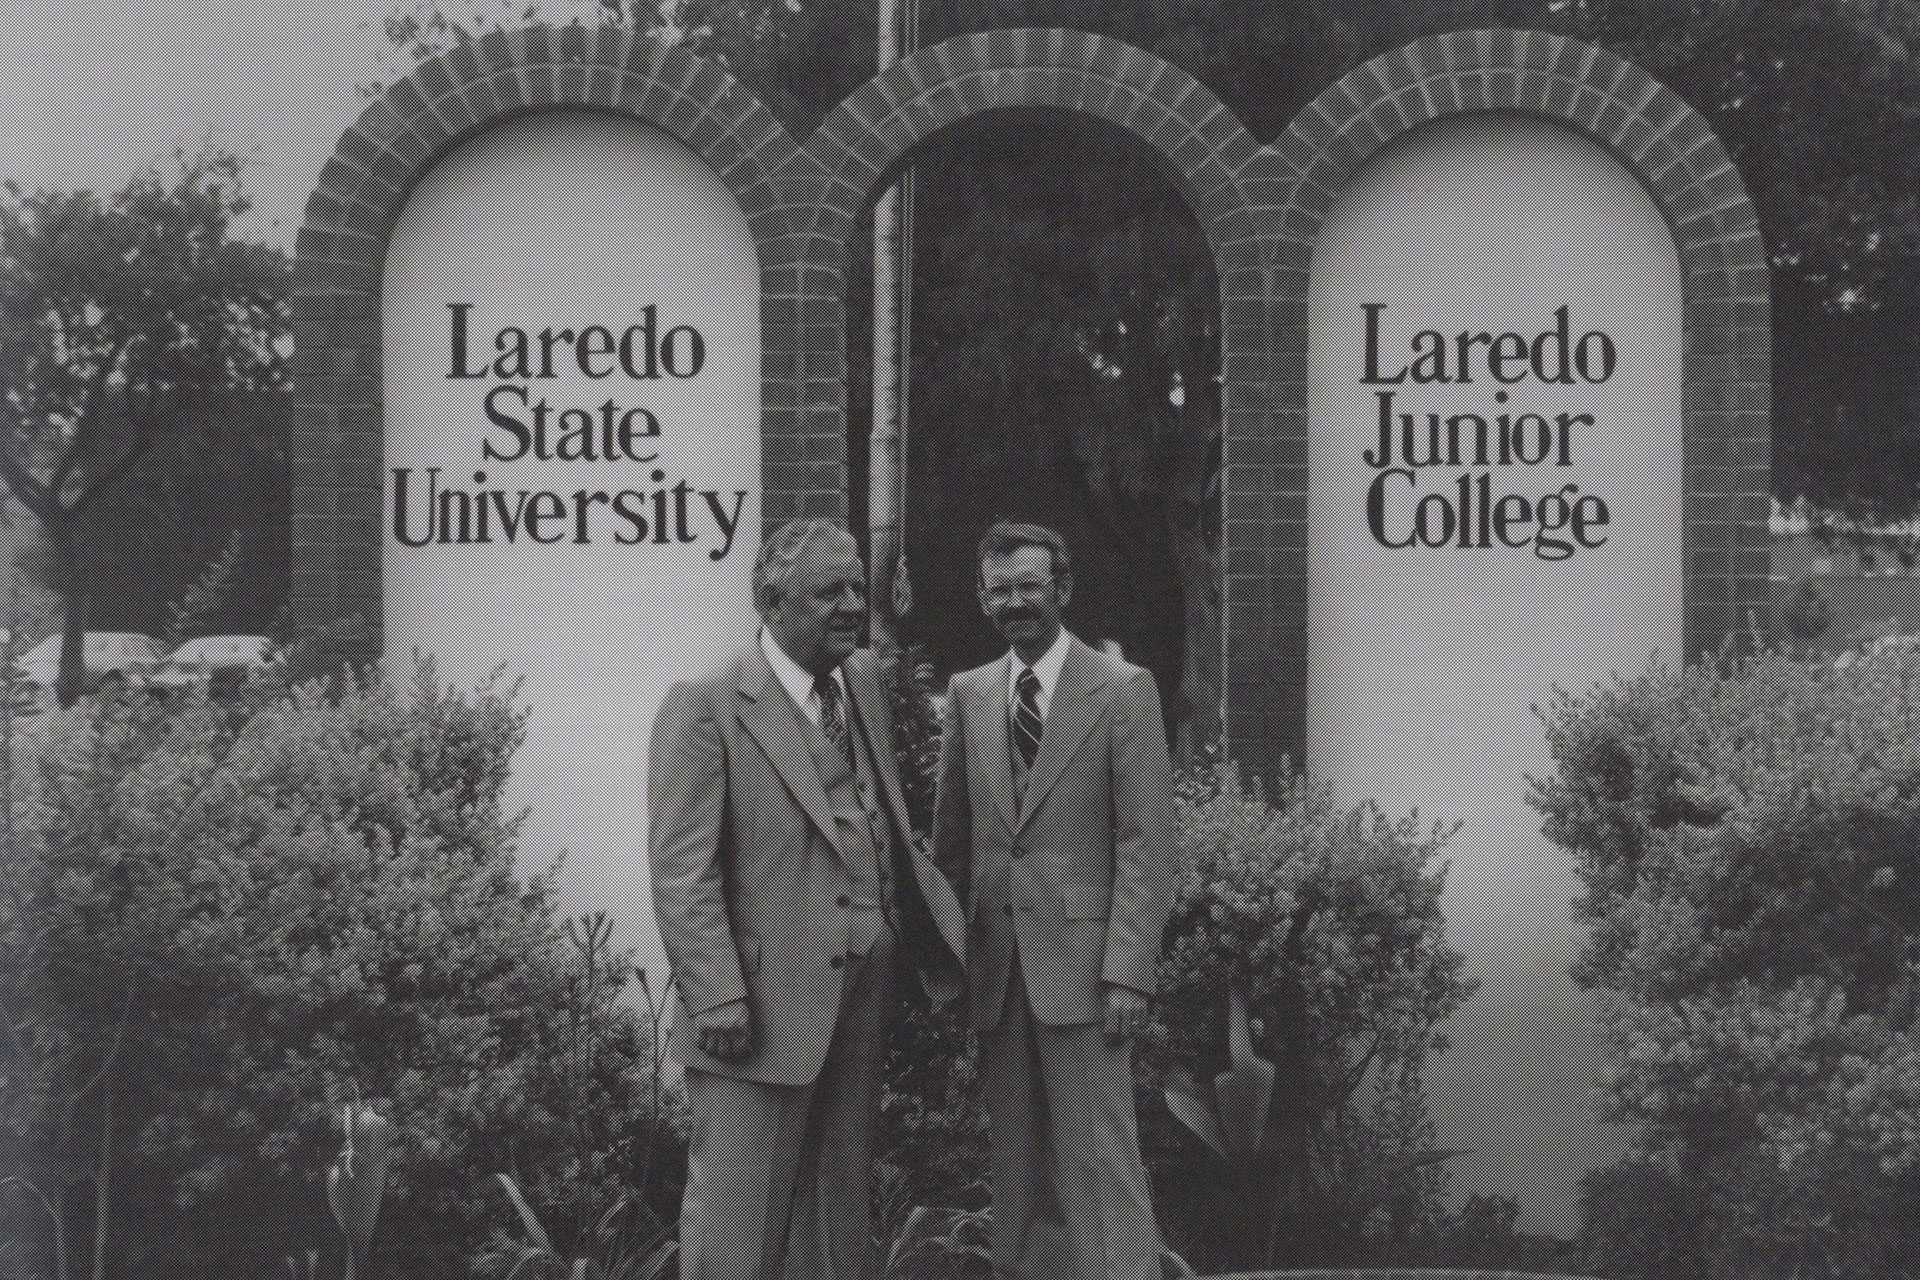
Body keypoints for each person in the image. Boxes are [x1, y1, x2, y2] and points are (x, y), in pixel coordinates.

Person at [649, 518, 966, 1280]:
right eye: (829, 592)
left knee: (836, 1208)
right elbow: (680, 869)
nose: (853, 604)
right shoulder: (707, 703)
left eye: (857, 586)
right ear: (770, 600)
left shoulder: (858, 680)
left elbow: (876, 812)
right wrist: (716, 993)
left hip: (861, 989)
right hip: (752, 1006)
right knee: (737, 1220)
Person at [932, 520, 1176, 1280]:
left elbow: (1146, 842)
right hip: (999, 973)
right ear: (982, 599)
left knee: (1100, 1161)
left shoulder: (1122, 689)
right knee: (1018, 1166)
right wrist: (948, 964)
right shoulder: (969, 695)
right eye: (999, 590)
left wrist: (1129, 970)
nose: (1015, 603)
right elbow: (952, 843)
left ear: (1062, 590)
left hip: (1088, 970)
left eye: (1029, 586)